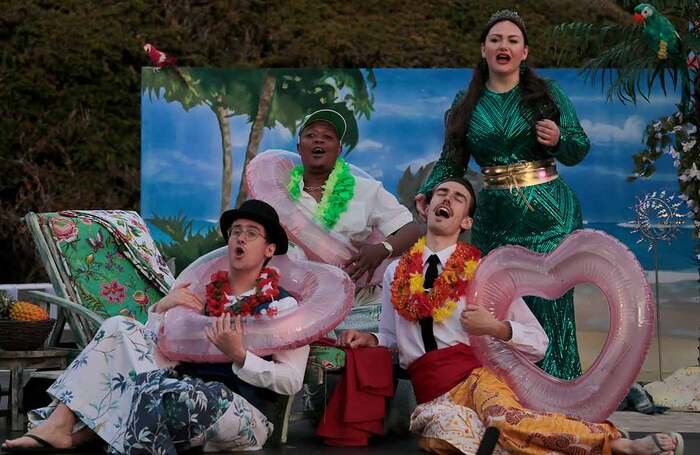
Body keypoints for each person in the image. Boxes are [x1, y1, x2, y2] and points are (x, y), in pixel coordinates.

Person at [340, 178, 682, 455]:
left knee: (506, 420)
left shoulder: (483, 274)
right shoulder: (394, 272)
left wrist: (497, 327)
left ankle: (615, 442)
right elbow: (388, 335)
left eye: (459, 197)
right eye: (441, 193)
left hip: (477, 380)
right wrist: (369, 339)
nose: (447, 198)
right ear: (425, 206)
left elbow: (539, 343)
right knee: (447, 439)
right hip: (433, 394)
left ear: (466, 220)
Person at [2, 200, 310, 453]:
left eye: (252, 233)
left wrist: (241, 356)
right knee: (119, 328)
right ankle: (61, 422)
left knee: (159, 392)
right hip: (178, 387)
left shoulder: (284, 307)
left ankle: (90, 432)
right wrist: (161, 309)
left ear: (270, 249)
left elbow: (292, 381)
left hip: (243, 412)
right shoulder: (200, 296)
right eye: (235, 231)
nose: (240, 238)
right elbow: (156, 347)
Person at [415, 10, 589, 380]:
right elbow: (452, 162)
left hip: (548, 214)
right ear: (484, 49)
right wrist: (430, 191)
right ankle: (507, 393)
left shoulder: (547, 95)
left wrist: (559, 140)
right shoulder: (467, 101)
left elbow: (578, 147)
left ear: (524, 52)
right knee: (500, 306)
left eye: (512, 40)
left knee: (550, 304)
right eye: (496, 40)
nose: (504, 46)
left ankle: (559, 391)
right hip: (494, 217)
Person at [286, 108, 421, 333]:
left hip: (358, 302)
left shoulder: (366, 189)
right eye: (310, 135)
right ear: (299, 147)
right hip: (299, 302)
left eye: (328, 137)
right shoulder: (280, 195)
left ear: (338, 150)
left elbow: (411, 229)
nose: (318, 139)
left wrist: (382, 248)